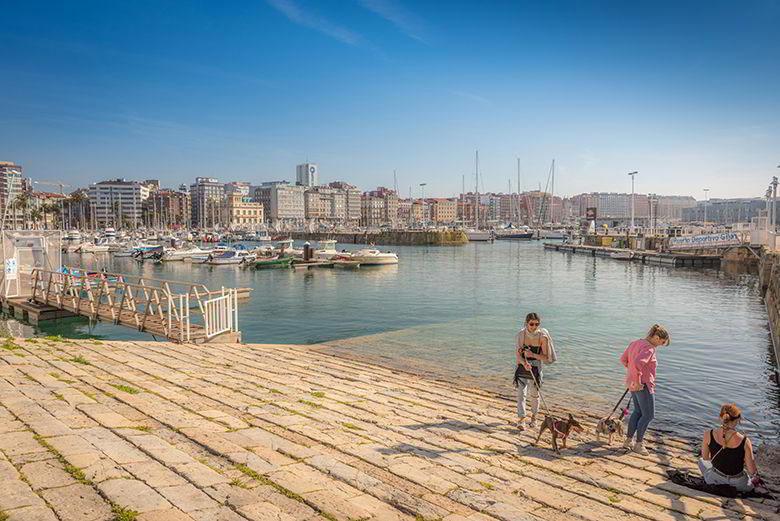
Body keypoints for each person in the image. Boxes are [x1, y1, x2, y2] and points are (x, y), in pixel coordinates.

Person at [619, 324, 670, 455]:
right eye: (661, 342)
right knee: (648, 415)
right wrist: (638, 379)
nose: (659, 346)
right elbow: (637, 363)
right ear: (657, 337)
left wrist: (632, 375)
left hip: (633, 383)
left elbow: (624, 360)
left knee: (637, 412)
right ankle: (638, 444)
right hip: (643, 385)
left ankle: (628, 441)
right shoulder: (649, 348)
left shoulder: (635, 343)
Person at [698, 403, 759, 492]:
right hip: (739, 485)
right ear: (738, 420)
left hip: (714, 480)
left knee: (701, 461)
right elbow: (752, 470)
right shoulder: (745, 441)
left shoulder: (708, 434)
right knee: (751, 479)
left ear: (721, 417)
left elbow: (705, 457)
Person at [514, 312, 551, 430]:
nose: (534, 327)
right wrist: (524, 363)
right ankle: (521, 420)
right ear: (526, 323)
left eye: (537, 324)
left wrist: (533, 354)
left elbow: (545, 358)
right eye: (531, 324)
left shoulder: (542, 337)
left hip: (536, 366)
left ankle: (534, 418)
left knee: (535, 395)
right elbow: (518, 355)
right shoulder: (521, 334)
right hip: (522, 365)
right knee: (521, 394)